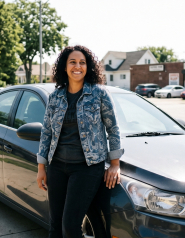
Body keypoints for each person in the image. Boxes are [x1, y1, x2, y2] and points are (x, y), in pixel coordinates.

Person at [36, 45, 124, 238]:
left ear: (88, 67)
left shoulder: (99, 94)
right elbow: (47, 132)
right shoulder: (55, 97)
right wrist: (41, 167)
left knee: (70, 225)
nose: (78, 66)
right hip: (57, 167)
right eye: (73, 62)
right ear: (64, 67)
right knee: (55, 225)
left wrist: (115, 163)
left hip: (86, 168)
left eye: (82, 62)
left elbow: (113, 129)